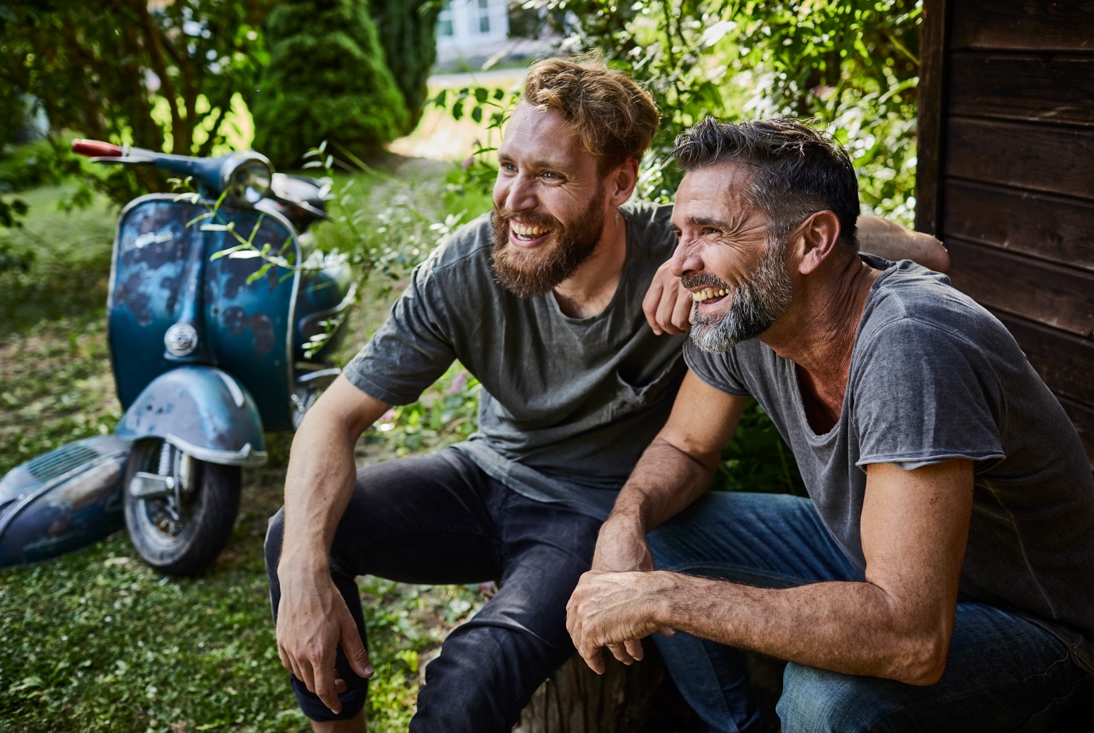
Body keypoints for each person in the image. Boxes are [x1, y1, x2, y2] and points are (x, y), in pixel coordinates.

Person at [265, 57, 949, 733]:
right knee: (296, 535)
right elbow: (333, 416)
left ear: (619, 182)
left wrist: (733, 259)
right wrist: (302, 572)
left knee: (471, 674)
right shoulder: (466, 266)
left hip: (587, 513)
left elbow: (929, 253)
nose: (514, 200)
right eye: (509, 168)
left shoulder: (689, 252)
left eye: (550, 176)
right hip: (485, 475)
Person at [566, 116, 1094, 732]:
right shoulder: (751, 311)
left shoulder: (911, 346)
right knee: (662, 535)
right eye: (680, 234)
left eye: (709, 231)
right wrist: (623, 525)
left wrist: (664, 597)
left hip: (1039, 624)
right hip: (876, 561)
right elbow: (685, 446)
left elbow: (912, 638)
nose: (680, 266)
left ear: (813, 243)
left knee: (827, 697)